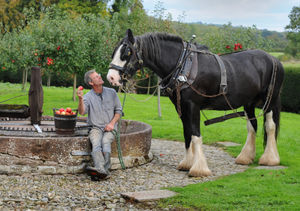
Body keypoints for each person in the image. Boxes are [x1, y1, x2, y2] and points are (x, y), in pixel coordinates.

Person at [77, 69, 122, 180]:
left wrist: (111, 124)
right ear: (91, 83)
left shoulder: (112, 92)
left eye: (99, 75)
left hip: (110, 127)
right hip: (95, 128)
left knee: (105, 141)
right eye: (96, 77)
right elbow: (82, 112)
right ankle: (103, 171)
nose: (100, 77)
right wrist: (80, 99)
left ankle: (101, 170)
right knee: (96, 142)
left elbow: (119, 111)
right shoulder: (87, 97)